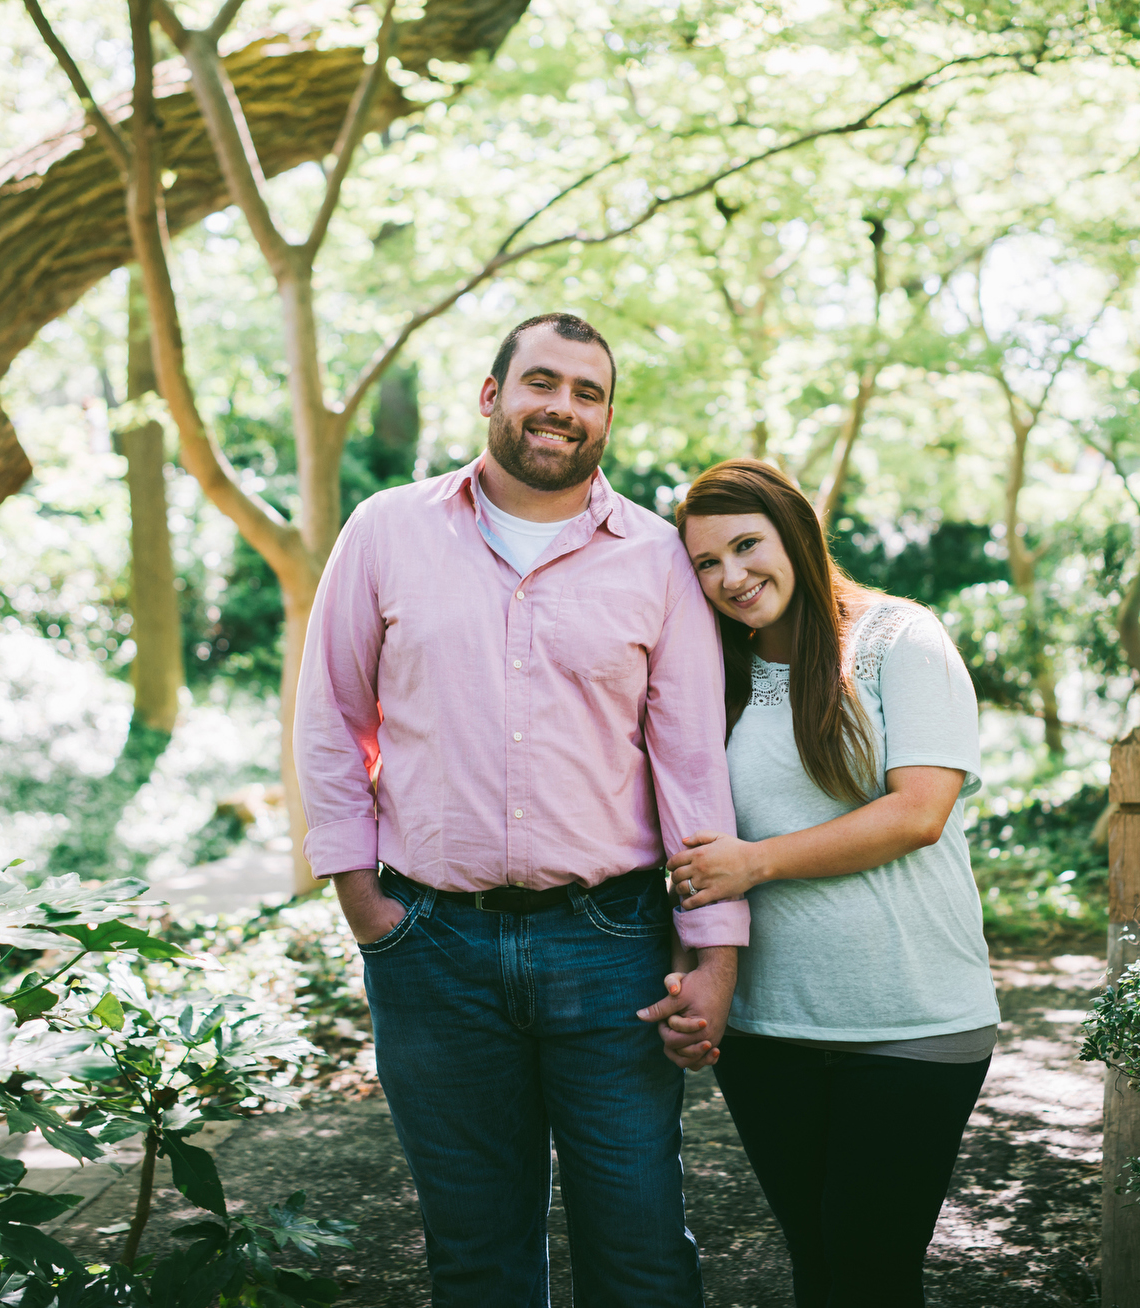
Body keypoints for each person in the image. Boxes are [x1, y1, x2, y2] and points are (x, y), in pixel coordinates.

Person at [293, 312, 746, 1306]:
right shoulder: (386, 530)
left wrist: (713, 957)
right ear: (493, 395)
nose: (563, 408)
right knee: (477, 1259)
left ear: (608, 419)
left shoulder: (658, 558)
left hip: (611, 945)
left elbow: (690, 768)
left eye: (588, 393)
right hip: (431, 952)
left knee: (639, 1254)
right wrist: (365, 908)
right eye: (542, 382)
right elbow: (330, 719)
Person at [664, 458, 1000, 1308]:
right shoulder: (715, 674)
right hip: (768, 1031)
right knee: (817, 1264)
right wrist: (694, 973)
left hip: (910, 1024)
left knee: (871, 1270)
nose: (732, 577)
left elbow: (920, 810)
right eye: (707, 562)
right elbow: (689, 842)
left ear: (797, 534)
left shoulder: (899, 639)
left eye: (748, 546)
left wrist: (759, 859)